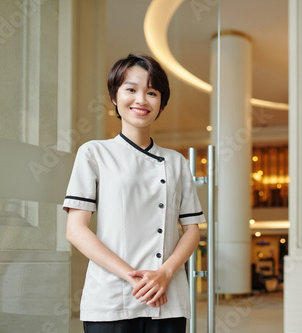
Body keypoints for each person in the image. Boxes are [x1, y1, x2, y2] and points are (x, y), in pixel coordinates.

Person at [63, 53, 205, 333]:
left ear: (161, 102)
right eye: (131, 89)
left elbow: (192, 231)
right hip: (110, 298)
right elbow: (76, 230)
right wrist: (135, 279)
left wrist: (164, 273)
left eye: (151, 92)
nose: (141, 100)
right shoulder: (94, 153)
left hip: (168, 300)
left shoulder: (176, 162)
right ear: (115, 97)